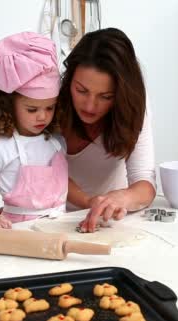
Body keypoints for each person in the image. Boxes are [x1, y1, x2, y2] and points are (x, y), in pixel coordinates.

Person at [58, 28, 156, 232]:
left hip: (107, 221)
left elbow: (145, 182)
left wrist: (124, 197)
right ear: (69, 80)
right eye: (81, 91)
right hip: (51, 218)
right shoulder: (49, 104)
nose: (90, 106)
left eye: (106, 96)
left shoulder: (133, 109)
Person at [0, 32, 67, 228]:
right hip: (17, 229)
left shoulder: (57, 141)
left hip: (60, 223)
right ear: (8, 104)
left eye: (50, 107)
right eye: (32, 109)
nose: (43, 116)